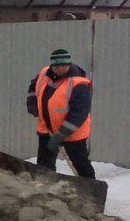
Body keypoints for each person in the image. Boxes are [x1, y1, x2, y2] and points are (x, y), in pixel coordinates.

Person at [27, 48, 95, 179]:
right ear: (52, 65)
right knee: (44, 165)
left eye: (64, 65)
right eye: (57, 65)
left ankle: (91, 192)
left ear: (69, 64)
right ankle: (45, 189)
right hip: (46, 128)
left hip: (72, 133)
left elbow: (78, 114)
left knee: (80, 164)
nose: (60, 68)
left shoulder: (78, 84)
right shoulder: (43, 74)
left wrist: (60, 135)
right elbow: (32, 88)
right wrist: (32, 103)